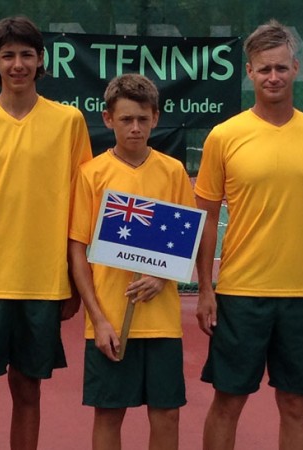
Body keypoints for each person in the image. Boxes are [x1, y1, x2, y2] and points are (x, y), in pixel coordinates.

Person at [194, 20, 303, 450]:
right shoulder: (224, 136)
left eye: (280, 67)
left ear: (294, 68)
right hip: (239, 293)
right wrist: (203, 289)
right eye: (263, 69)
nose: (272, 77)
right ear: (249, 73)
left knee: (295, 404)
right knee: (228, 400)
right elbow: (205, 217)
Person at [0, 15, 93, 450]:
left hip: (42, 283)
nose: (17, 64)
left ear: (40, 60)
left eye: (26, 54)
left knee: (28, 390)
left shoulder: (69, 122)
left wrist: (73, 282)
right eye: (8, 55)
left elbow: (80, 208)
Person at [68, 73, 194, 450]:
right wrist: (99, 319)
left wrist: (162, 277)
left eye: (142, 118)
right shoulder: (91, 174)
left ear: (155, 117)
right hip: (109, 321)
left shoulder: (172, 172)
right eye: (125, 119)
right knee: (109, 413)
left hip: (162, 323)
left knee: (166, 413)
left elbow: (183, 246)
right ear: (108, 120)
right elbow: (78, 250)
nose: (135, 128)